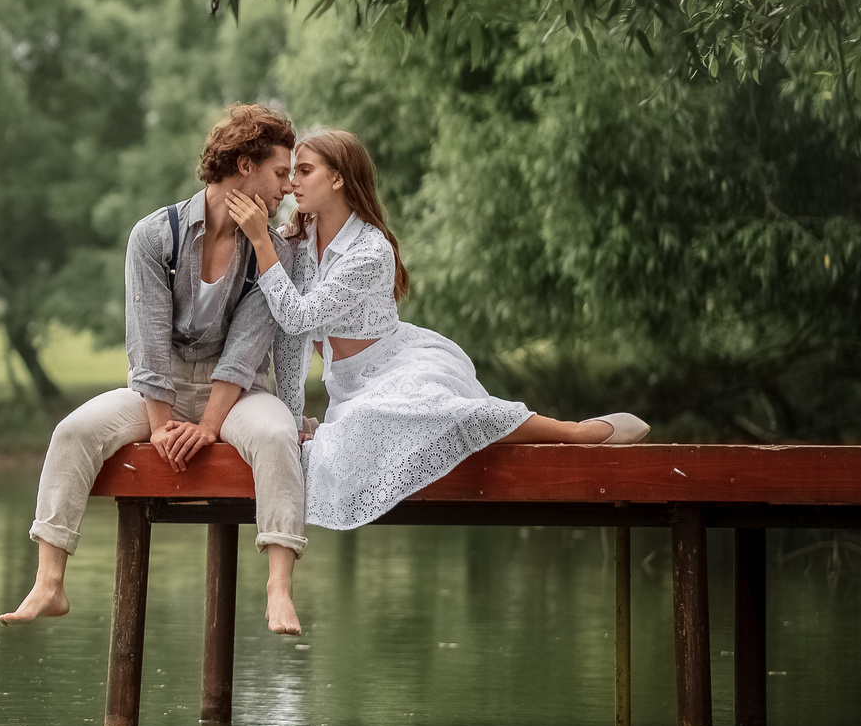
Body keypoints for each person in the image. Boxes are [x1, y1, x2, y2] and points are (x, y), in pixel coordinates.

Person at [220, 127, 648, 530]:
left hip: (396, 366)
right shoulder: (296, 241)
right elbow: (289, 340)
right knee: (351, 433)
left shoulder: (370, 251)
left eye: (304, 170)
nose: (292, 183)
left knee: (430, 409)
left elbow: (299, 316)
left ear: (337, 179)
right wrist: (293, 417)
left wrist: (260, 242)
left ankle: (573, 432)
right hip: (347, 387)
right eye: (291, 172)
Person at [2, 104, 314, 635]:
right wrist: (163, 426)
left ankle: (279, 588)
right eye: (281, 172)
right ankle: (49, 583)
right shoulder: (154, 236)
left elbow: (244, 352)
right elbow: (146, 343)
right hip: (159, 390)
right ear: (245, 165)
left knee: (277, 433)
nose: (288, 187)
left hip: (234, 394)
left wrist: (209, 426)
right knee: (73, 431)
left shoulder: (274, 251)